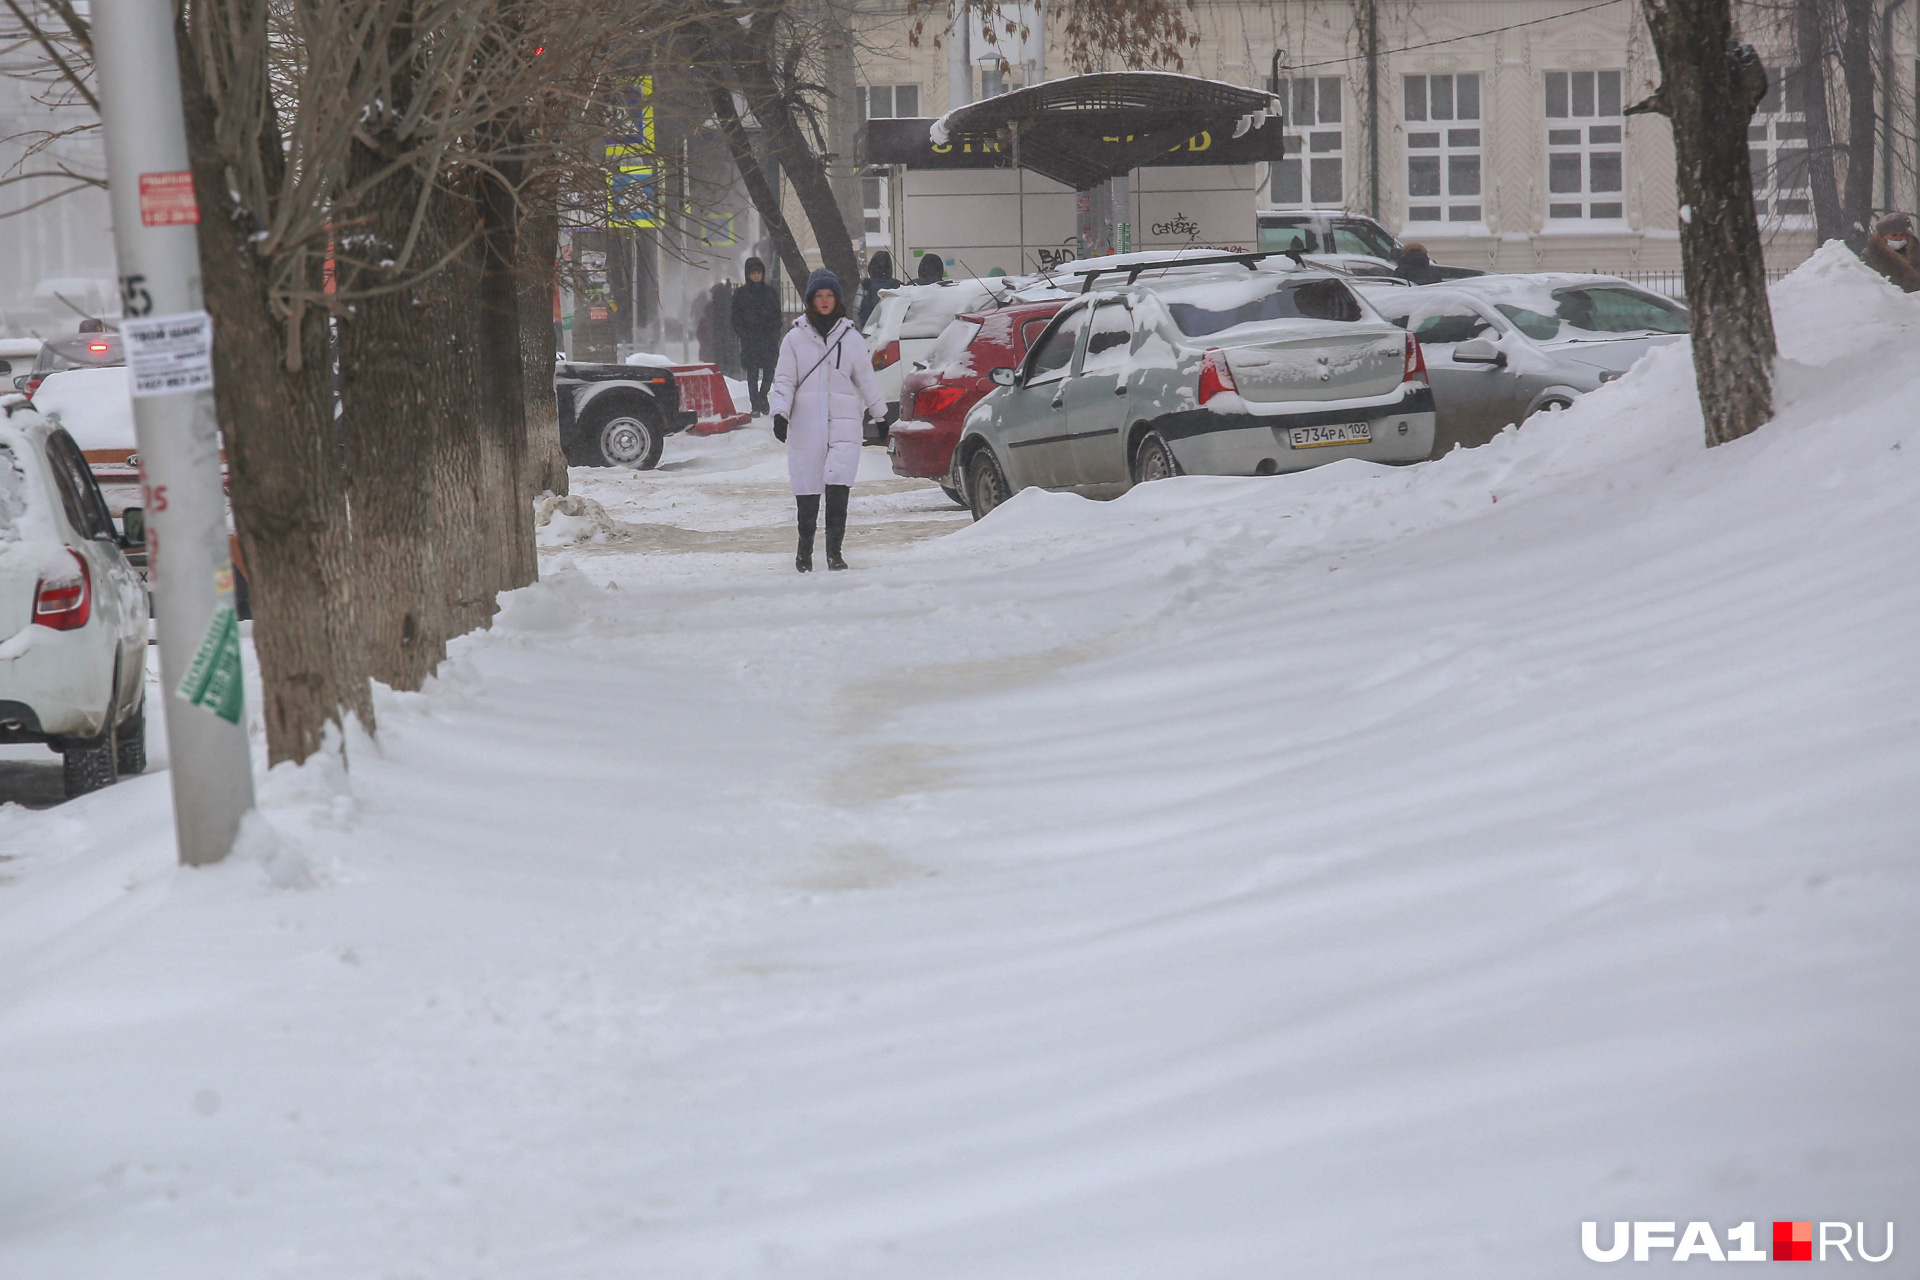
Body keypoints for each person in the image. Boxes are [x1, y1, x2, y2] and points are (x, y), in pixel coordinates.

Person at [769, 269, 887, 573]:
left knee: (838, 488)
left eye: (829, 295)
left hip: (844, 425)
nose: (824, 301)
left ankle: (835, 552)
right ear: (811, 299)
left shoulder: (851, 339)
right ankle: (804, 552)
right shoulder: (794, 339)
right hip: (806, 426)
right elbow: (783, 380)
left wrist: (880, 415)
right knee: (807, 493)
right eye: (819, 296)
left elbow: (866, 380)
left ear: (837, 299)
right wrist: (780, 413)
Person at [730, 256, 782, 415]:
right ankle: (755, 405)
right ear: (748, 274)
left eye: (759, 272)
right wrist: (743, 334)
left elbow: (777, 315)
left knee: (769, 372)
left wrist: (774, 334)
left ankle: (762, 396)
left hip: (768, 340)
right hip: (750, 340)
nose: (756, 276)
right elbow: (735, 317)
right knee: (752, 373)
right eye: (753, 273)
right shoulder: (741, 294)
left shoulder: (770, 293)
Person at [1863, 212, 1920, 293]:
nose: (1899, 238)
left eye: (1902, 234)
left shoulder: (1916, 253)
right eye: (1894, 235)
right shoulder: (1870, 256)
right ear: (1882, 237)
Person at [857, 250, 901, 328]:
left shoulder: (865, 284)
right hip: (890, 328)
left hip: (867, 328)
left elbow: (856, 308)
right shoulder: (897, 285)